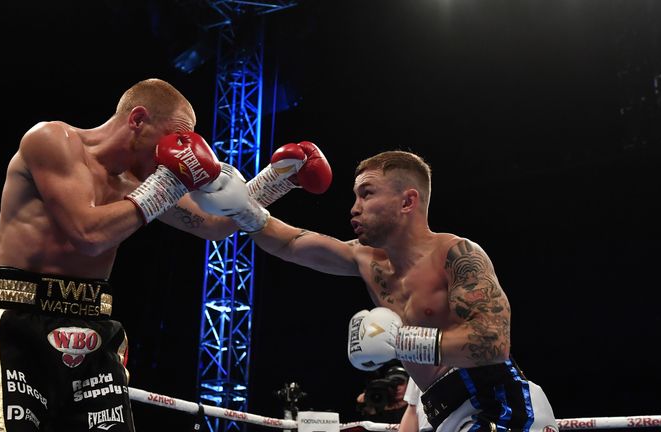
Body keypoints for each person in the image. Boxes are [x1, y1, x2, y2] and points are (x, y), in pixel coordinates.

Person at [0, 77, 331, 432]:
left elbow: (212, 226)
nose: (174, 151)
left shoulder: (140, 183)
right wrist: (169, 184)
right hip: (21, 320)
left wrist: (277, 179)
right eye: (173, 137)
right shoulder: (52, 140)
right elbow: (87, 234)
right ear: (138, 119)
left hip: (93, 327)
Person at [189, 150, 559, 432]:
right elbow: (291, 243)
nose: (354, 208)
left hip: (498, 406)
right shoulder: (367, 261)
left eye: (366, 194)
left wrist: (404, 342)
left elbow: (494, 341)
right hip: (443, 412)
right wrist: (244, 209)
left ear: (407, 201)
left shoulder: (457, 254)